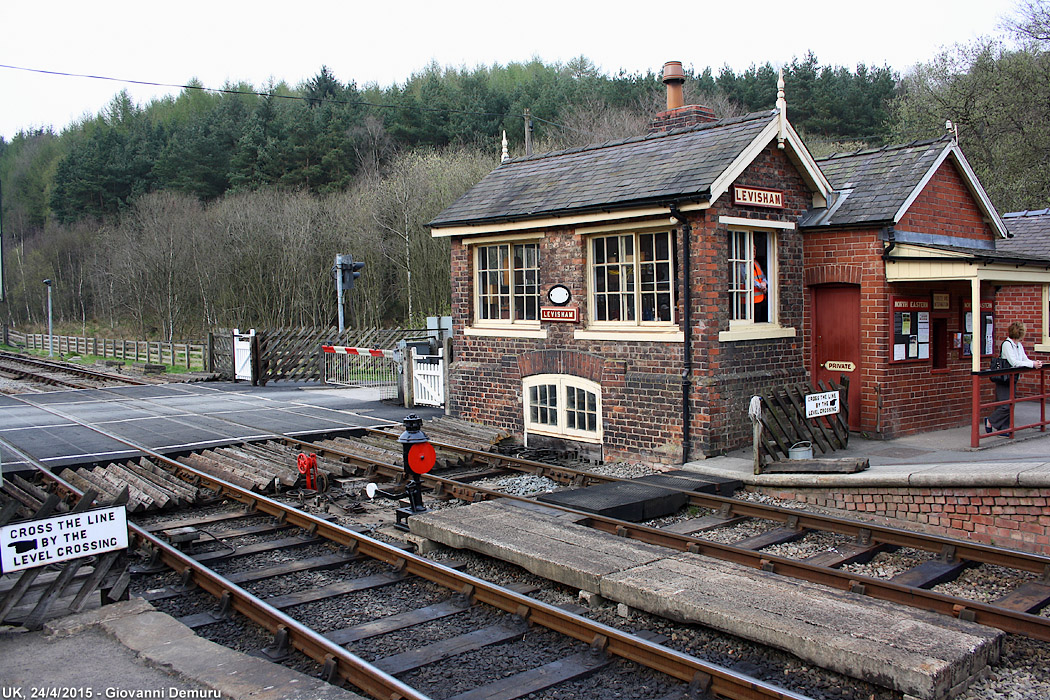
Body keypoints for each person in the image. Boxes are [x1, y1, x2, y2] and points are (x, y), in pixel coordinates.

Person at [987, 322, 1044, 434]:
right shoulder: (1007, 344)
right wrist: (1032, 365)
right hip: (1004, 378)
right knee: (1006, 405)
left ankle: (1004, 428)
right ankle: (990, 421)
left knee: (1010, 404)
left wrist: (1034, 363)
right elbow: (1014, 362)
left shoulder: (1018, 345)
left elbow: (1024, 359)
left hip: (1012, 378)